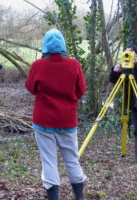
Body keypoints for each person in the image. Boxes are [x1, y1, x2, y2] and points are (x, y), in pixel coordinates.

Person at [25, 29, 87, 200]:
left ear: (44, 46)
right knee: (72, 160)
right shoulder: (74, 65)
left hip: (43, 121)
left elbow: (30, 88)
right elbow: (81, 91)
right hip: (67, 121)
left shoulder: (38, 65)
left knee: (49, 162)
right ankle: (79, 197)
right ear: (63, 46)